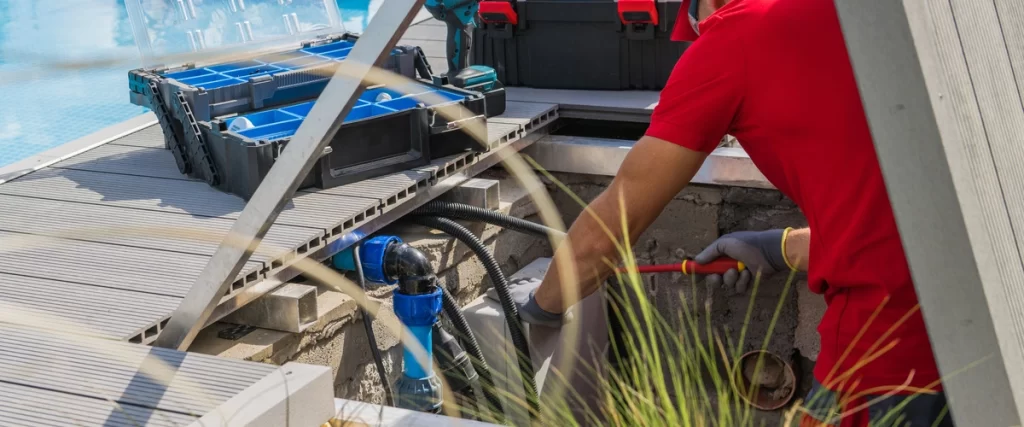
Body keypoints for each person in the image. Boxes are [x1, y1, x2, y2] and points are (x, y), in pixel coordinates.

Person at [508, 0, 954, 425]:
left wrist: (541, 307)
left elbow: (614, 224)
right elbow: (891, 213)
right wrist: (781, 248)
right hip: (978, 307)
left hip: (891, 339)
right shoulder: (855, 18)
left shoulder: (735, 37)